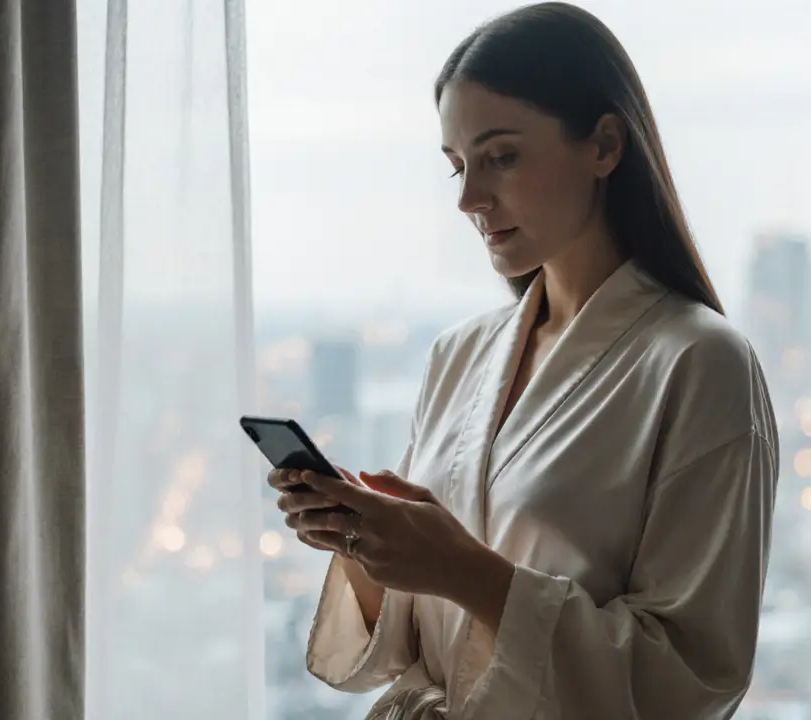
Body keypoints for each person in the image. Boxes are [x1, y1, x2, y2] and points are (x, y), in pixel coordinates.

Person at [268, 3, 780, 718]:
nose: (471, 199)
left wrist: (462, 568)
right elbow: (406, 649)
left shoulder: (700, 364)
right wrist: (365, 543)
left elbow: (691, 681)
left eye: (501, 156)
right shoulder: (461, 355)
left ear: (604, 145)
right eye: (457, 168)